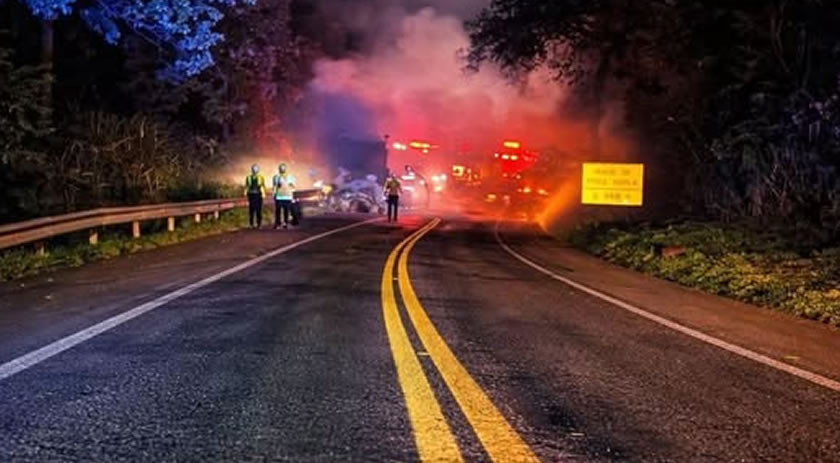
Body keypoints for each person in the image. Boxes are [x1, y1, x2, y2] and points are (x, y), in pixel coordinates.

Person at [273, 163, 297, 229]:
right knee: (278, 210)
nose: (282, 169)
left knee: (286, 210)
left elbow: (294, 187)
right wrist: (274, 195)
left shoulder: (290, 177)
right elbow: (275, 187)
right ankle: (278, 223)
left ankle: (285, 223)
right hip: (279, 196)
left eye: (283, 168)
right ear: (279, 169)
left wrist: (291, 186)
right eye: (281, 168)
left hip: (287, 196)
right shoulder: (276, 177)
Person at [244, 164, 266, 229]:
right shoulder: (248, 177)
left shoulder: (261, 177)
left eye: (256, 169)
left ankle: (259, 224)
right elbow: (247, 186)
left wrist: (263, 194)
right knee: (251, 210)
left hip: (259, 195)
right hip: (251, 195)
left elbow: (263, 186)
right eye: (254, 169)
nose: (254, 170)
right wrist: (245, 194)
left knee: (259, 210)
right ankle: (251, 224)